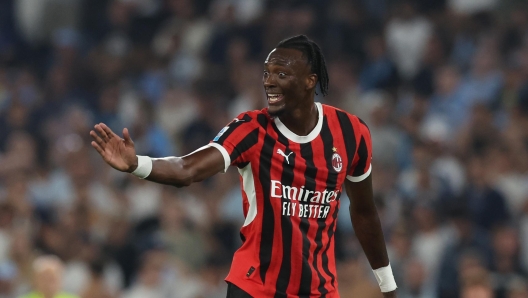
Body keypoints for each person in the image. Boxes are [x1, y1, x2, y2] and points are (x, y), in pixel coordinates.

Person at [90, 35, 397, 298]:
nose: (269, 81)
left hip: (319, 290)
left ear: (309, 81)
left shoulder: (351, 132)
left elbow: (364, 211)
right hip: (255, 287)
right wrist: (136, 164)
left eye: (281, 74)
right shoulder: (251, 129)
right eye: (267, 73)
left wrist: (387, 284)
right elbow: (187, 170)